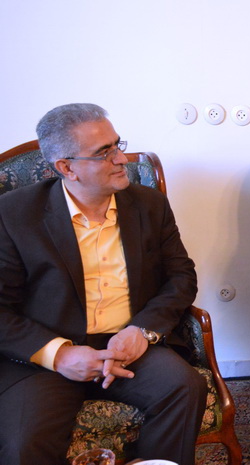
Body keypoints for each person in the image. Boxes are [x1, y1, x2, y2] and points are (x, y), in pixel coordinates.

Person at [0, 103, 207, 465]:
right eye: (104, 152)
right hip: (47, 358)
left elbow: (181, 277)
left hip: (127, 346)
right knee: (24, 444)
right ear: (66, 168)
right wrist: (60, 355)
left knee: (185, 387)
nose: (122, 158)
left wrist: (143, 331)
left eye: (118, 145)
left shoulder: (149, 204)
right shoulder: (15, 214)